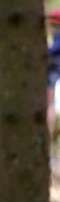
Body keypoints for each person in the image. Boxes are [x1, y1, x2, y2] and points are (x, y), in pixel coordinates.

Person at [46, 9, 60, 138]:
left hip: (53, 73)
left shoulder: (58, 36)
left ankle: (48, 133)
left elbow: (51, 52)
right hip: (53, 73)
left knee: (49, 104)